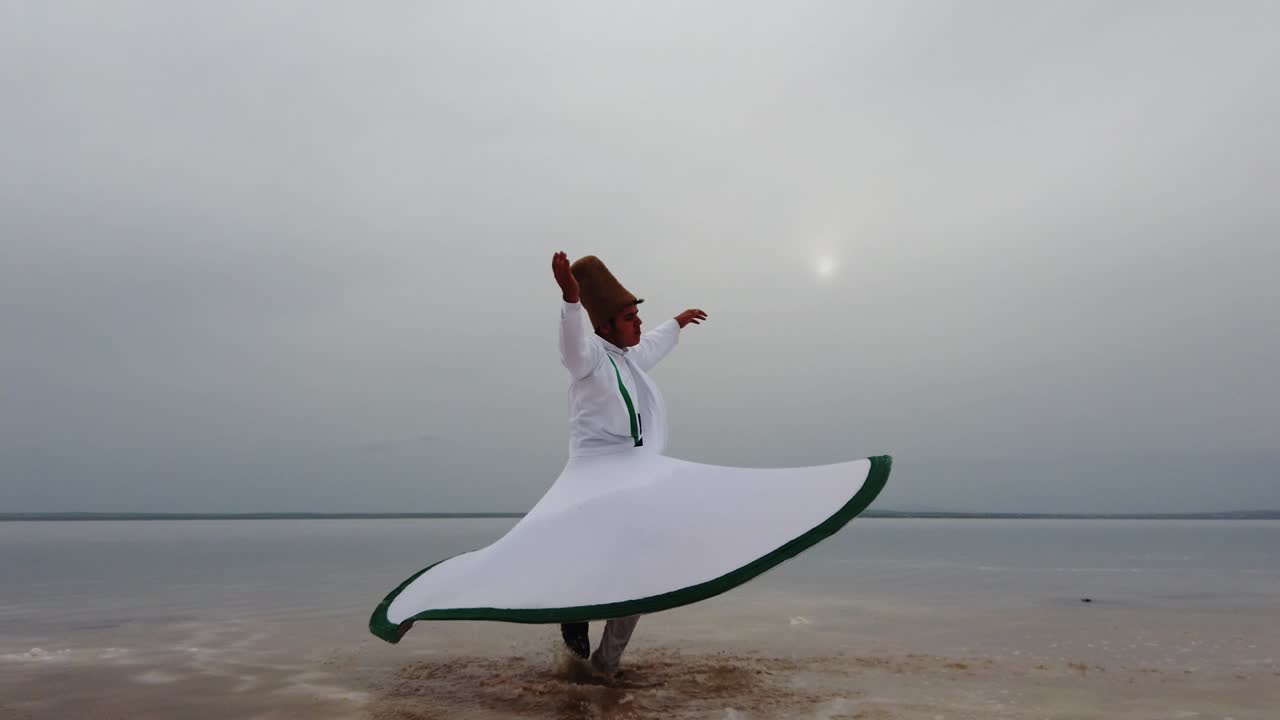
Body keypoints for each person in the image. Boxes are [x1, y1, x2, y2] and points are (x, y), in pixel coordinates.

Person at [550, 250, 707, 676]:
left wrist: (676, 322)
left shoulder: (627, 358)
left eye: (638, 317)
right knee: (594, 560)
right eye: (630, 318)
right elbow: (570, 346)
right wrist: (569, 299)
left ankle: (605, 666)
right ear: (604, 326)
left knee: (641, 574)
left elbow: (651, 343)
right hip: (591, 482)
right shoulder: (590, 358)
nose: (638, 324)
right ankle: (573, 613)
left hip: (630, 479)